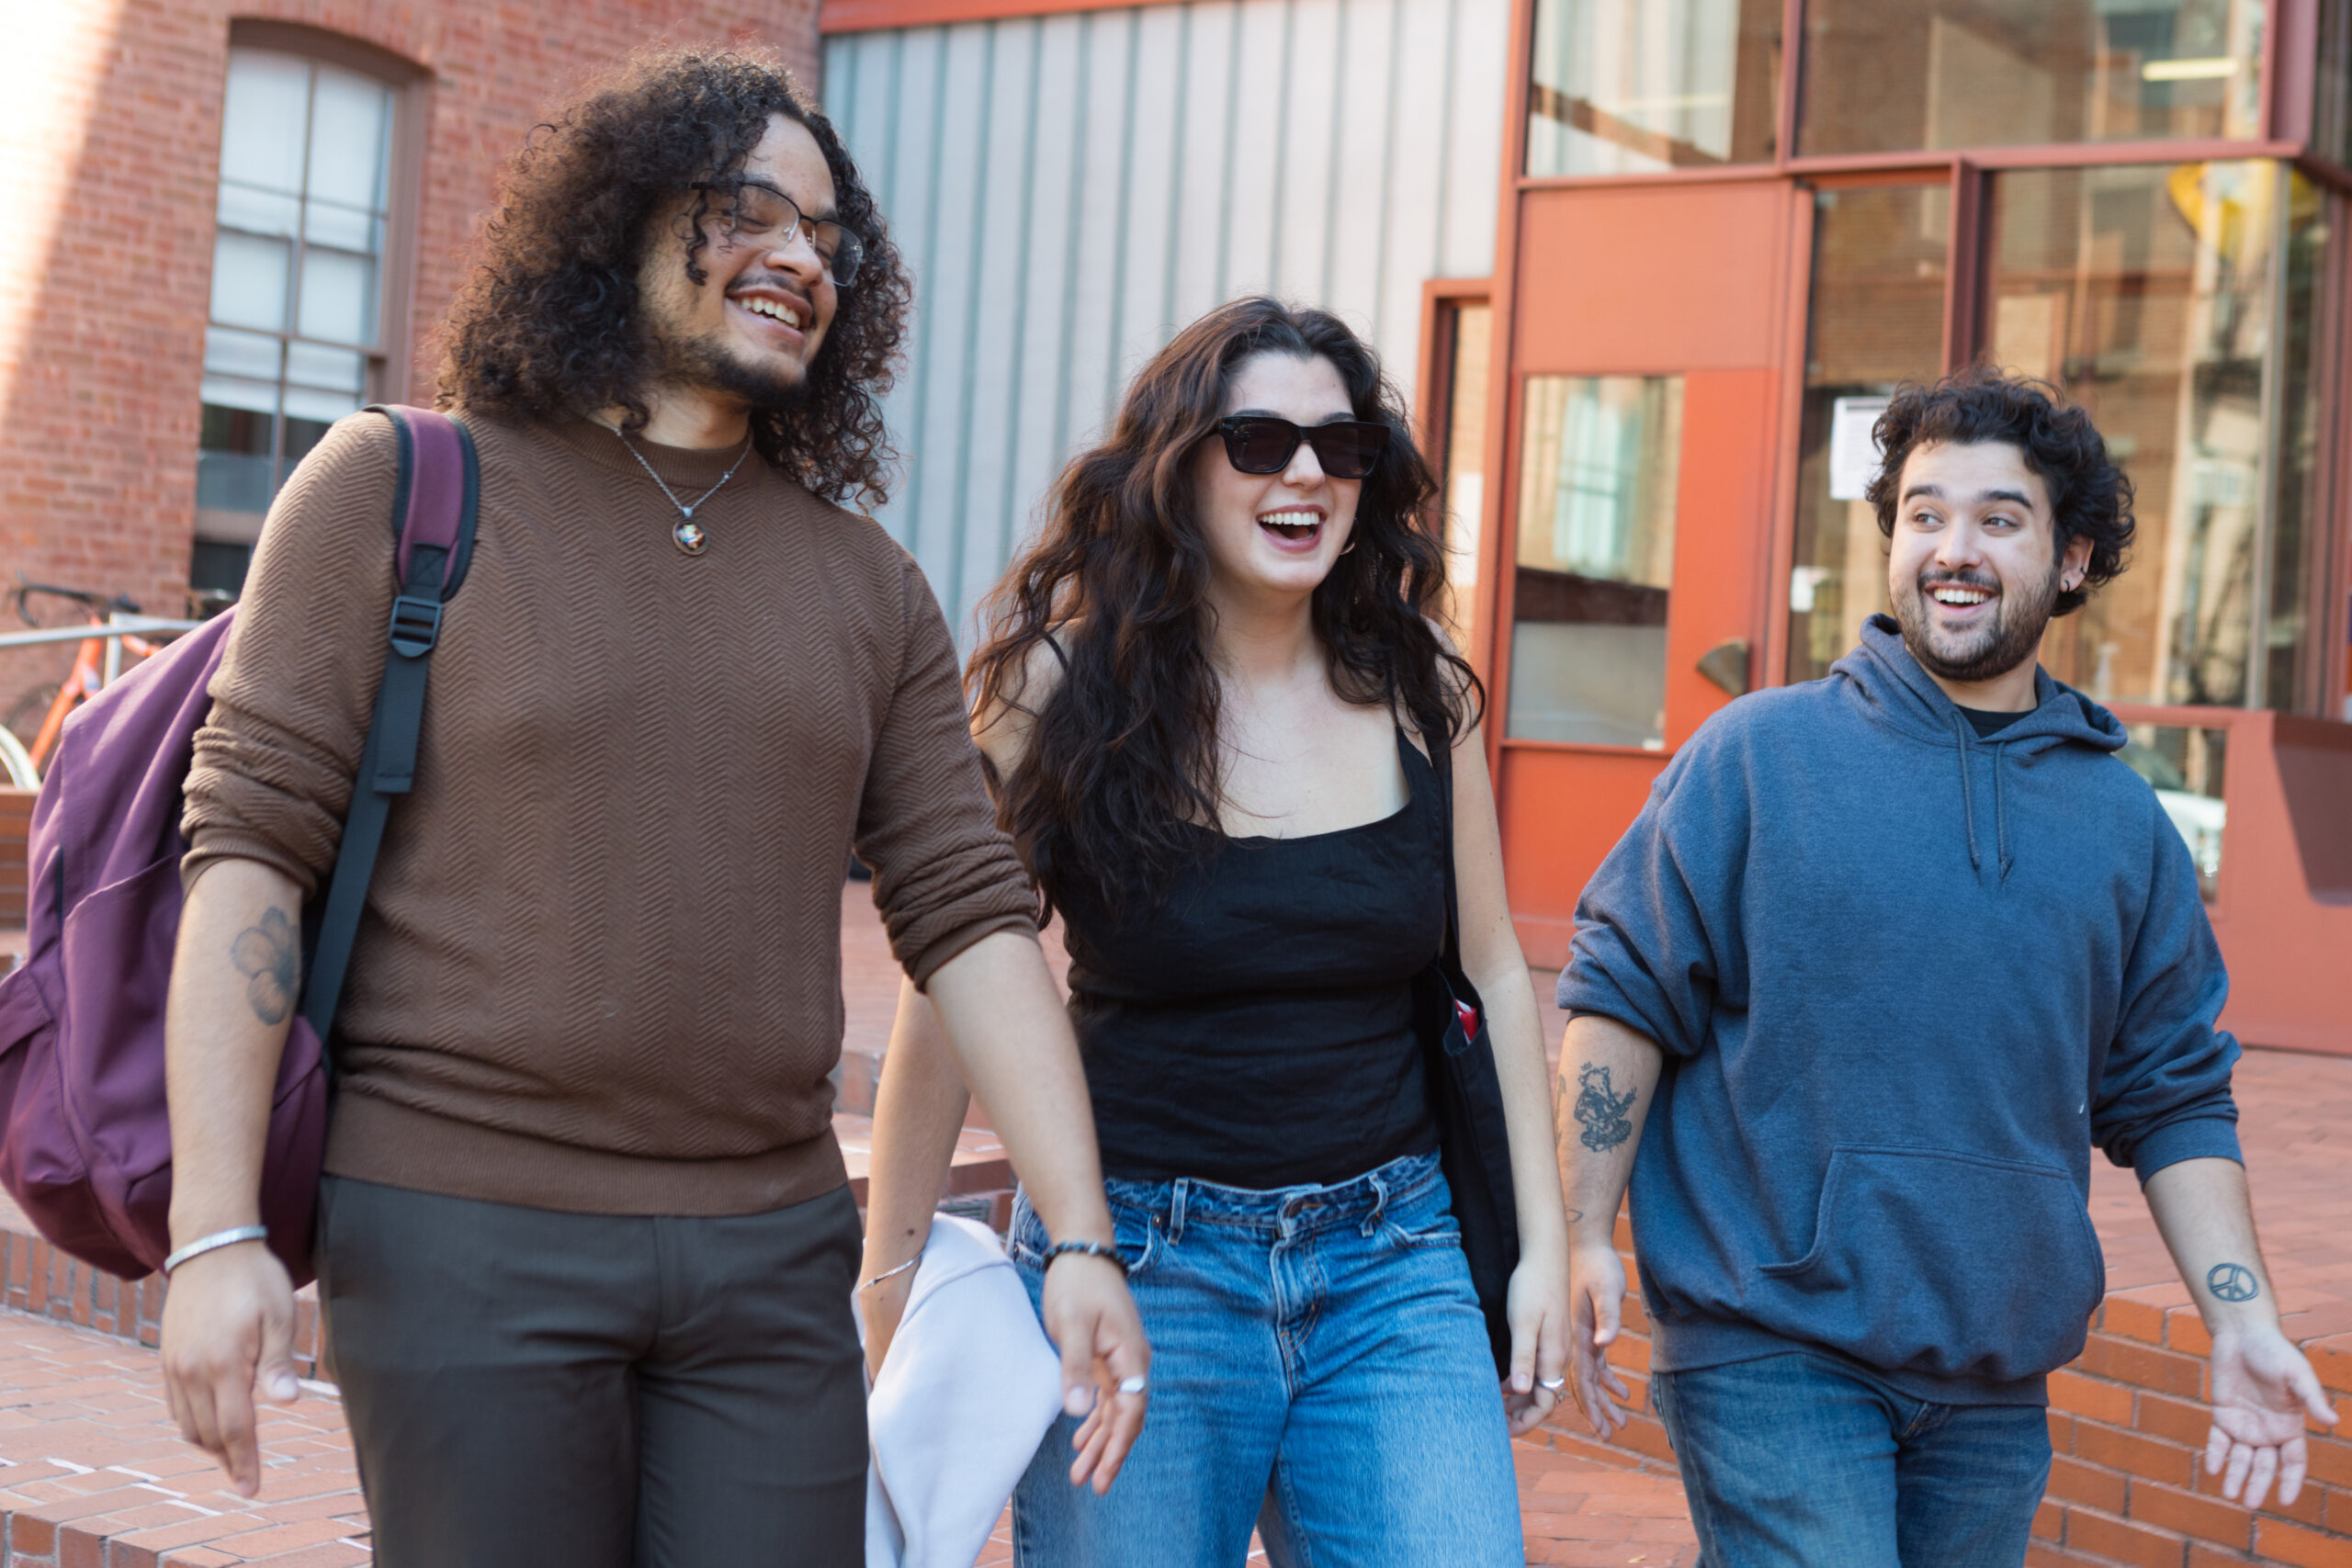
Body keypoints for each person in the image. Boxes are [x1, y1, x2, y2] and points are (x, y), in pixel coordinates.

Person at [157, 46, 1148, 1567]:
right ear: (616, 222)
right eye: (747, 210)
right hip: (464, 1224)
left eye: (829, 236)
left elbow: (971, 912)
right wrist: (217, 1233)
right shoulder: (400, 489)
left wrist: (1076, 1235)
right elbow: (251, 857)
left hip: (767, 1255)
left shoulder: (867, 588)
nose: (799, 258)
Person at [1555, 367, 2340, 1568]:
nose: (1951, 549)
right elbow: (1621, 994)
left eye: (1995, 519)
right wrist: (1579, 1233)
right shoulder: (1759, 757)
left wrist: (2242, 1320)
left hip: (1994, 1377)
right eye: (1922, 515)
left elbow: (2175, 1095)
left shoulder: (2126, 829)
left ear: (2071, 560)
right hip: (1772, 1341)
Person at [859, 298, 1572, 1567]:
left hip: (1392, 1265)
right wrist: (889, 1281)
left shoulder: (1422, 690)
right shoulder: (1057, 692)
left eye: (1339, 447)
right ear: (1179, 465)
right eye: (1258, 441)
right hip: (1137, 1261)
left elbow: (1496, 972)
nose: (1306, 473)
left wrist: (1543, 1247)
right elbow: (951, 986)